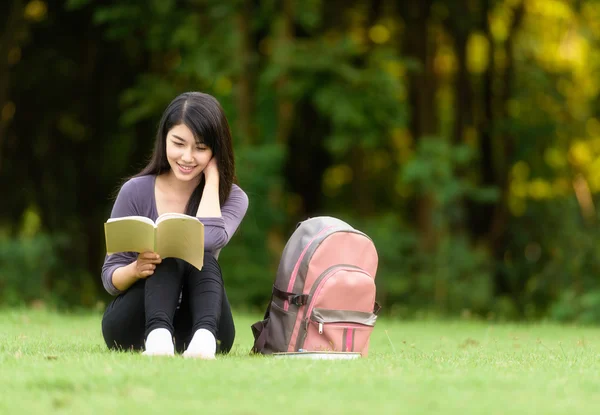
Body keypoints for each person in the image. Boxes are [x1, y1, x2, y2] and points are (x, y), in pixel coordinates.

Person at [100, 91, 249, 359]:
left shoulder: (233, 197)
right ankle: (158, 339)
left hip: (202, 323)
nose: (187, 157)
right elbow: (110, 278)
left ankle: (203, 342)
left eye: (201, 148)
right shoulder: (134, 191)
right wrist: (136, 269)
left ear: (216, 150)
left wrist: (213, 180)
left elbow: (211, 239)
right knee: (167, 258)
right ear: (164, 139)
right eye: (178, 143)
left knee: (198, 253)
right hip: (139, 322)